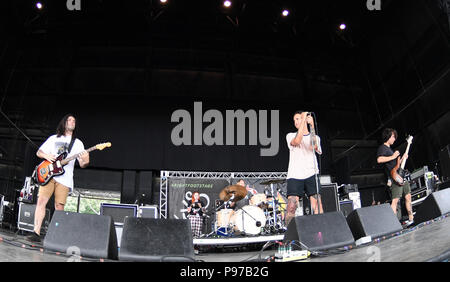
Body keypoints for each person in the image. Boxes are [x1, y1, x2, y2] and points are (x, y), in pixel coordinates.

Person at [27, 114, 89, 243]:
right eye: (69, 120)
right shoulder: (53, 138)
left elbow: (82, 164)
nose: (72, 122)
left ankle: (56, 236)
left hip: (65, 179)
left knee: (59, 207)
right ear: (64, 123)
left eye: (74, 121)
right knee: (41, 202)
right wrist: (46, 156)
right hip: (48, 174)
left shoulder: (77, 143)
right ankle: (36, 232)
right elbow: (39, 152)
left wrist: (86, 159)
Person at [285, 111, 323, 226]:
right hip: (295, 174)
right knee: (291, 206)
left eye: (298, 119)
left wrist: (311, 125)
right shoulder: (290, 135)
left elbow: (313, 146)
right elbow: (297, 141)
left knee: (317, 204)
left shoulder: (315, 137)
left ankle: (321, 230)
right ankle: (289, 233)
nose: (296, 122)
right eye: (295, 120)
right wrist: (302, 123)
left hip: (311, 173)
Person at [376, 128, 414, 226]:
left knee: (408, 196)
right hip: (394, 178)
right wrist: (393, 157)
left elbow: (395, 165)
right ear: (387, 136)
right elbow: (379, 160)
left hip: (400, 175)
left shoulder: (390, 149)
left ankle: (411, 219)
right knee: (395, 200)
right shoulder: (382, 148)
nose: (394, 139)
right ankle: (395, 225)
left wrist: (402, 159)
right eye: (393, 136)